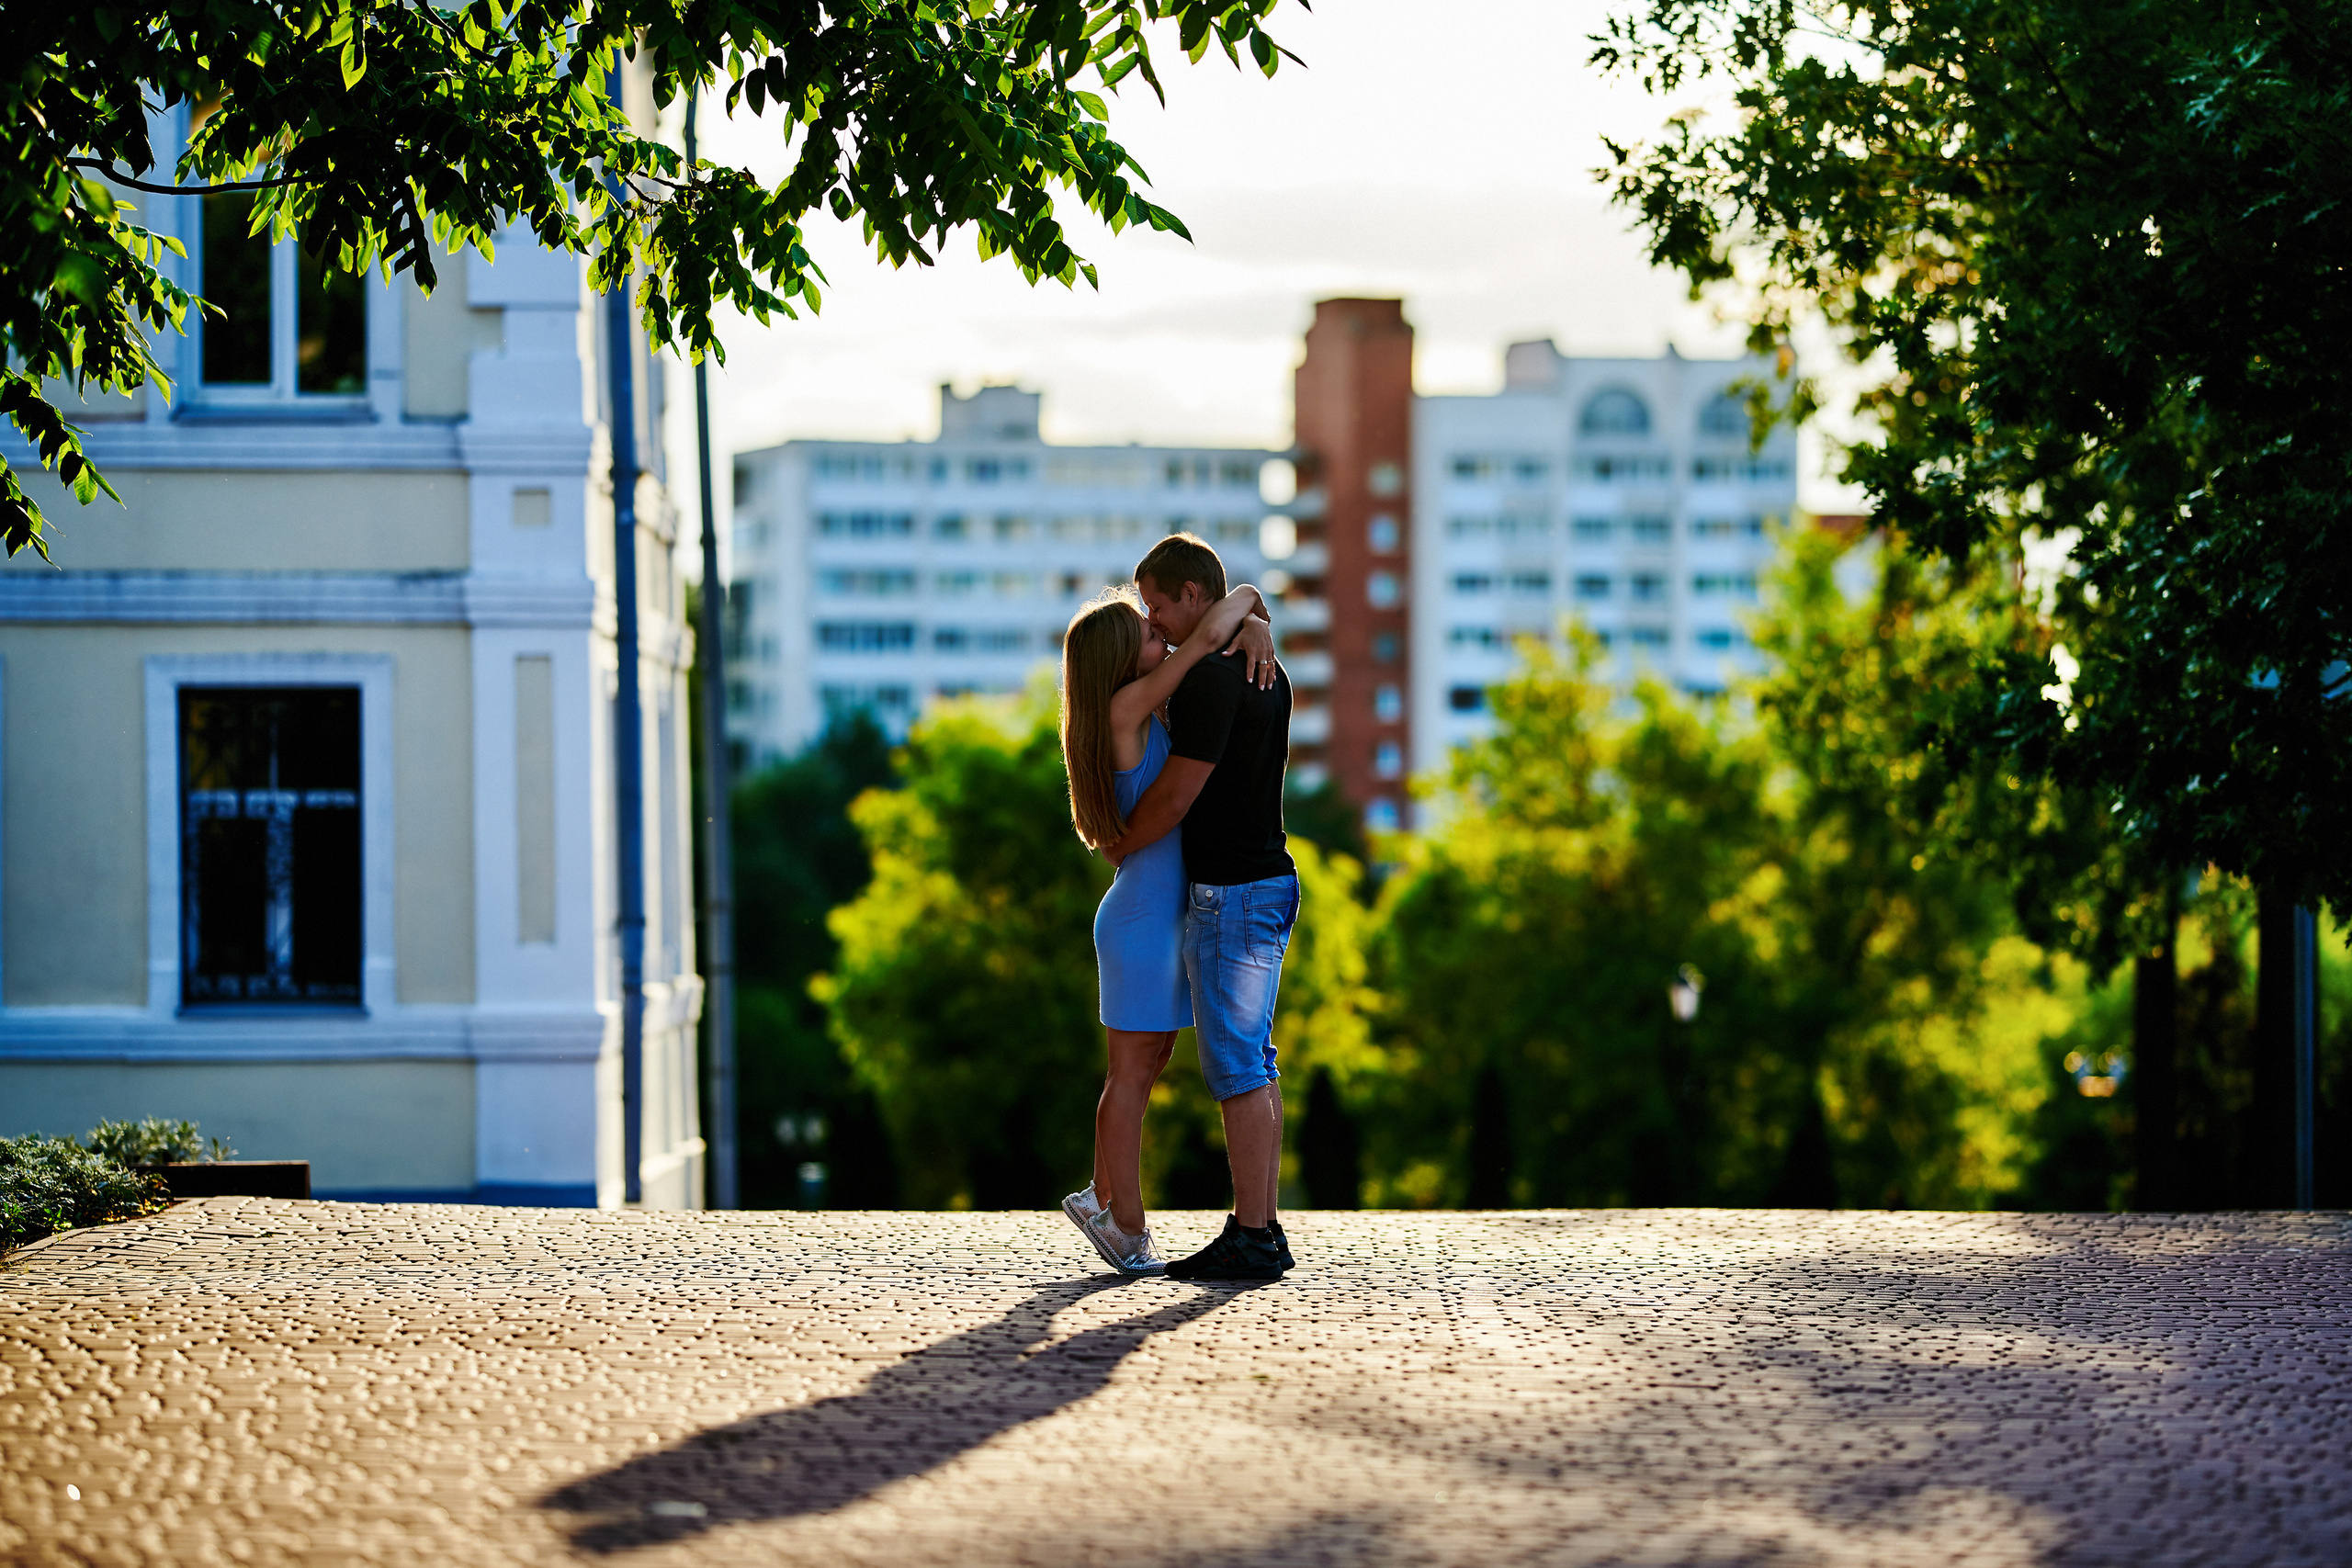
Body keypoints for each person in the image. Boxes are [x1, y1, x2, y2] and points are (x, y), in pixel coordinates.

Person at [1057, 577, 1278, 1276]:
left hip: (1153, 915)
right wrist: (1248, 599)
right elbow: (1209, 635)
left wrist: (1257, 628)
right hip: (1144, 919)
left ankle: (1100, 1196)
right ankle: (1126, 1226)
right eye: (1149, 634)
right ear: (1123, 659)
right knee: (1130, 1073)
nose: (1163, 634)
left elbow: (1215, 637)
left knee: (1145, 1064)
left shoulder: (1139, 713)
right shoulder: (1128, 705)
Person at [1102, 533, 1298, 1282]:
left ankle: (1253, 1233)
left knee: (1237, 1066)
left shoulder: (1216, 678)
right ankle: (1261, 1227)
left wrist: (1122, 841)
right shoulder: (1264, 666)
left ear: (1192, 595)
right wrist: (1253, 612)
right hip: (1267, 880)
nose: (1156, 620)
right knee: (1255, 1060)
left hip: (1232, 892)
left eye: (1158, 604)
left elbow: (1180, 791)